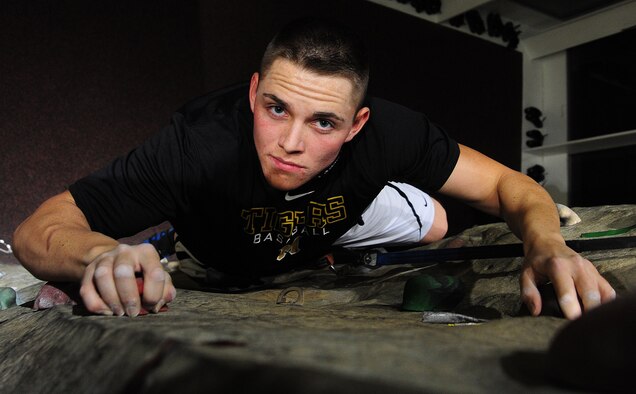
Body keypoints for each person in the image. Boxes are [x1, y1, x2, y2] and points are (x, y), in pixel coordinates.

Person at [13, 17, 615, 319]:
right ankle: (175, 237)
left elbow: (511, 185)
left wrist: (546, 242)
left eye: (323, 123)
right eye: (276, 109)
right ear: (253, 94)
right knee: (208, 262)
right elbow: (39, 228)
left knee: (434, 222)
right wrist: (99, 254)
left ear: (356, 126)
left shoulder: (391, 134)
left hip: (338, 216)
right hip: (223, 239)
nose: (290, 143)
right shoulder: (197, 145)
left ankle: (343, 230)